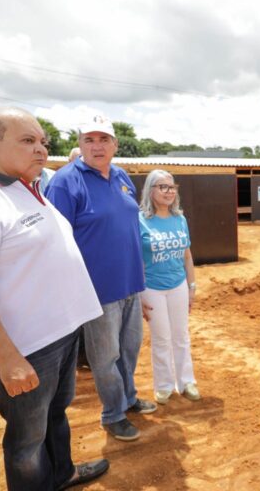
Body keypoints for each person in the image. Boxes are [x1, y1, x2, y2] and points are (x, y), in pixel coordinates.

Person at [0, 107, 109, 490]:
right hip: (25, 348)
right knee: (26, 442)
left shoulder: (23, 189)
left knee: (56, 417)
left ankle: (62, 474)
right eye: (28, 141)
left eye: (42, 141)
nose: (41, 150)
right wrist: (8, 359)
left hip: (59, 337)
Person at [46, 115, 155, 442]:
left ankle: (129, 397)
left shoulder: (121, 177)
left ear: (115, 145)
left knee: (130, 348)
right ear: (79, 144)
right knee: (104, 357)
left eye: (104, 139)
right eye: (90, 139)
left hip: (131, 283)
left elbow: (130, 226)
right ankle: (113, 414)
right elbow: (55, 240)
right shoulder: (65, 182)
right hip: (96, 290)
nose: (97, 146)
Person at [139, 170, 200, 404]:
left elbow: (187, 256)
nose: (169, 191)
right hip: (151, 287)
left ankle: (187, 382)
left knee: (181, 335)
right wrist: (137, 293)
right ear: (150, 190)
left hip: (178, 285)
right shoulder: (140, 220)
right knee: (161, 337)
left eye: (172, 187)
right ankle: (164, 385)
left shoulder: (179, 219)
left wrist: (191, 287)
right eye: (162, 187)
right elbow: (134, 259)